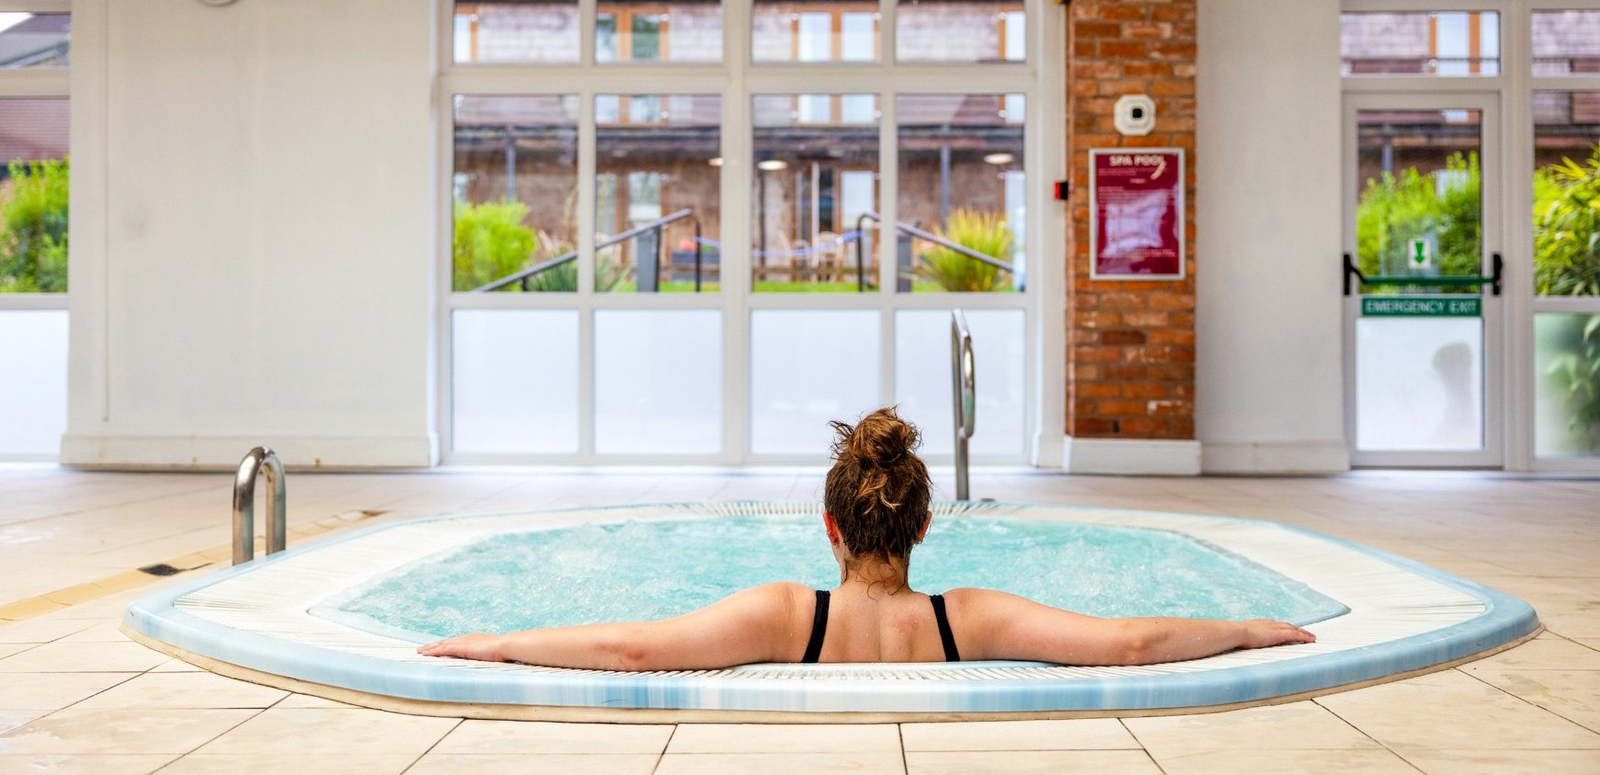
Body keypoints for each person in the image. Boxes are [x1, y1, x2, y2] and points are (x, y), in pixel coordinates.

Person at [417, 407, 1315, 670]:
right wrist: (1242, 628)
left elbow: (632, 647)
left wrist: (499, 643)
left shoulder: (782, 615)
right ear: (926, 525)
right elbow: (1131, 644)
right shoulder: (969, 619)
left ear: (829, 526)